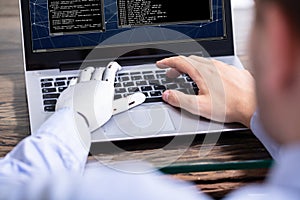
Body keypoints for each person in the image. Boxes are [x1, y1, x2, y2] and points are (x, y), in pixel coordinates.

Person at [0, 0, 300, 199]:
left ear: (279, 44)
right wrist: (255, 110)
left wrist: (75, 118)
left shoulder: (126, 192)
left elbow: (12, 185)